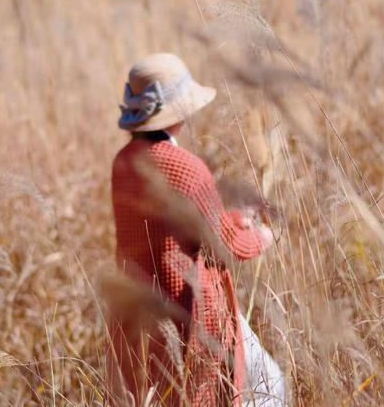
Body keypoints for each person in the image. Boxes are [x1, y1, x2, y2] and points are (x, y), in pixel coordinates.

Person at [109, 53, 285, 406]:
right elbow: (226, 245)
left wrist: (238, 217)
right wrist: (264, 236)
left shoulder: (124, 162)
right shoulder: (186, 168)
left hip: (140, 316)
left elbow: (183, 230)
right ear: (181, 112)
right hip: (191, 314)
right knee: (269, 386)